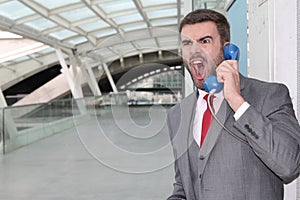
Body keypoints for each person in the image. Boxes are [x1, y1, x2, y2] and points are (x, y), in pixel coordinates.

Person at [167, 9, 300, 200]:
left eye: (205, 41)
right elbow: (183, 186)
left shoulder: (269, 95)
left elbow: (290, 166)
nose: (194, 51)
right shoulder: (177, 115)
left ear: (227, 49)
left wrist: (238, 102)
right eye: (187, 43)